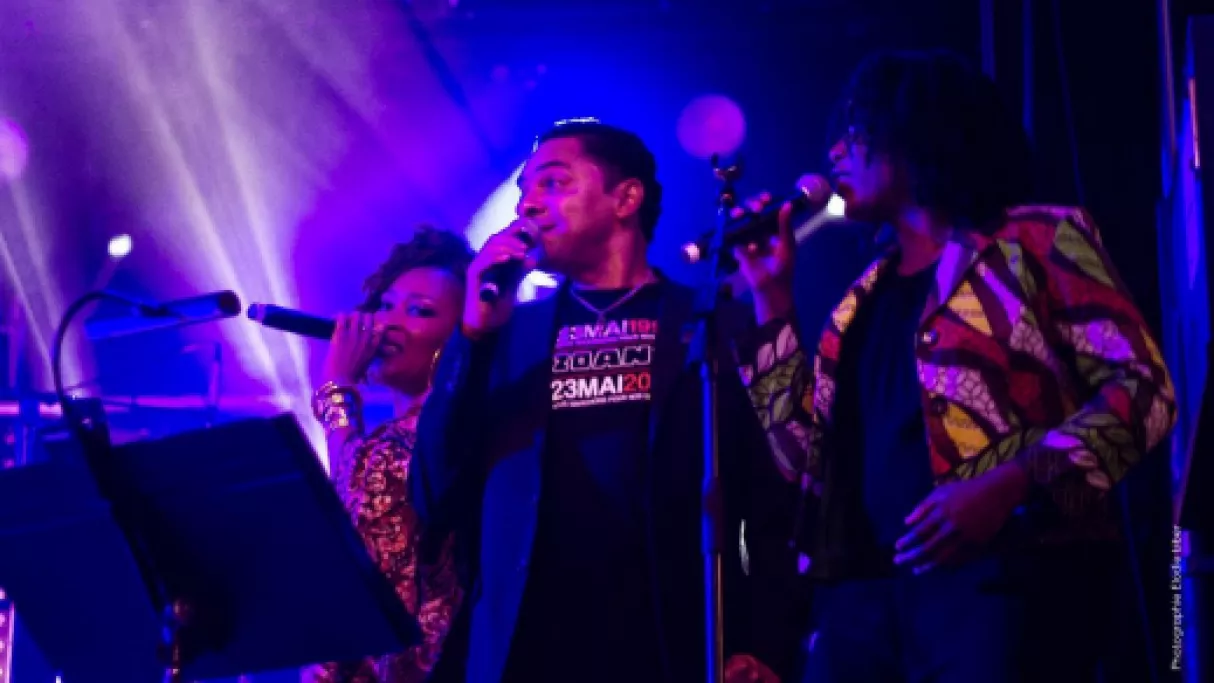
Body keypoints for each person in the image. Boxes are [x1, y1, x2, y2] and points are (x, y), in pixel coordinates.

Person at [732, 49, 1178, 683]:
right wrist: (771, 298)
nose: (834, 151)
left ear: (918, 130)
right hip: (861, 599)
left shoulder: (1036, 240)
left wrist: (1010, 484)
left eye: (857, 129)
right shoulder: (860, 301)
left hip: (1002, 582)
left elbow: (1145, 393)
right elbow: (800, 459)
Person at [410, 119, 807, 683]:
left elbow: (776, 499)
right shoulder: (507, 337)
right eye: (523, 191)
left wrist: (765, 643)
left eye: (553, 183)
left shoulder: (708, 323)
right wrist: (472, 336)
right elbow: (434, 495)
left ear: (626, 199)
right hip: (529, 654)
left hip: (668, 649)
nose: (527, 205)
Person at [309, 226, 475, 683]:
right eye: (385, 306)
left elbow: (357, 545)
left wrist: (336, 389)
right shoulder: (402, 436)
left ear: (462, 337)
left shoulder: (417, 439)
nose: (389, 324)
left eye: (419, 311)